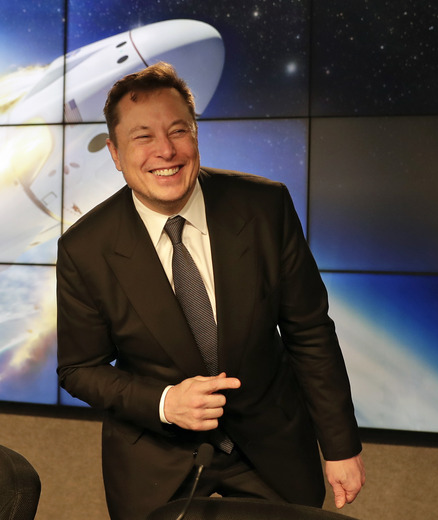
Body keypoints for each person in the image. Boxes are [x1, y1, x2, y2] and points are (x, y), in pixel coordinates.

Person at [56, 62, 365, 520]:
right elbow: (80, 368)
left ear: (196, 135)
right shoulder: (85, 248)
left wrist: (340, 445)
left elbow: (309, 331)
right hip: (155, 456)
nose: (166, 150)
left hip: (272, 445)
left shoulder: (265, 207)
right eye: (143, 137)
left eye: (178, 131)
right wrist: (165, 402)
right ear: (115, 153)